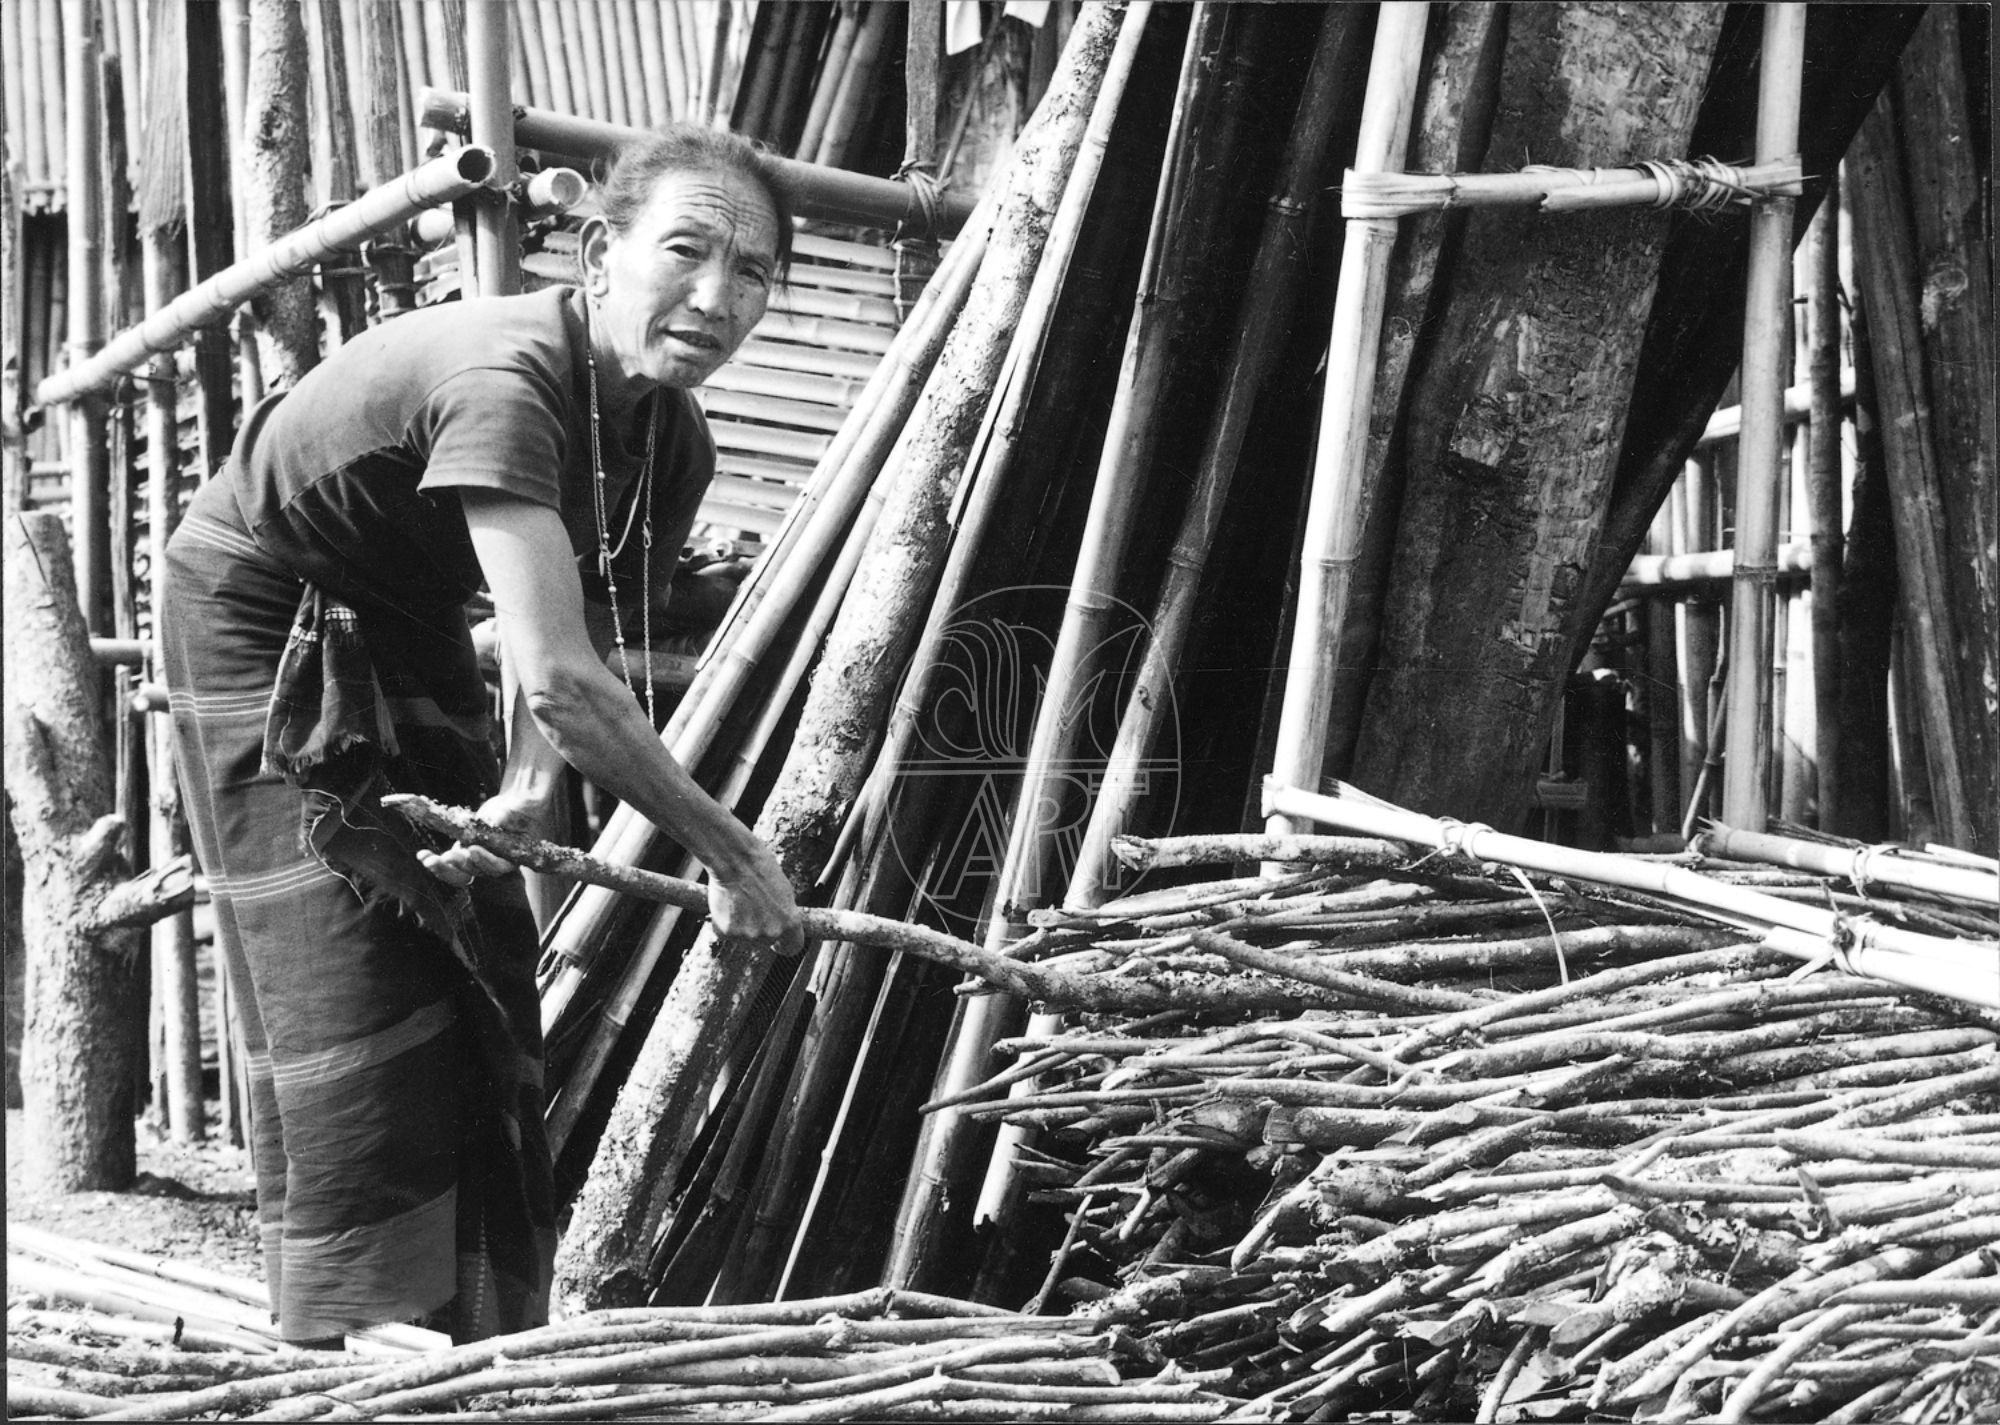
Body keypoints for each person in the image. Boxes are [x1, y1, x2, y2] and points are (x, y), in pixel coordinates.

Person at [161, 123, 804, 1347]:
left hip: (404, 619)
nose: (719, 299)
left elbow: (570, 646)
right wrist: (733, 855)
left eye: (757, 272)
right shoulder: (508, 379)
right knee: (346, 958)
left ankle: (471, 1339)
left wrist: (523, 788)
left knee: (481, 949)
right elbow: (565, 680)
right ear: (599, 251)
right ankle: (332, 1342)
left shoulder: (672, 436)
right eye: (686, 252)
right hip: (260, 604)